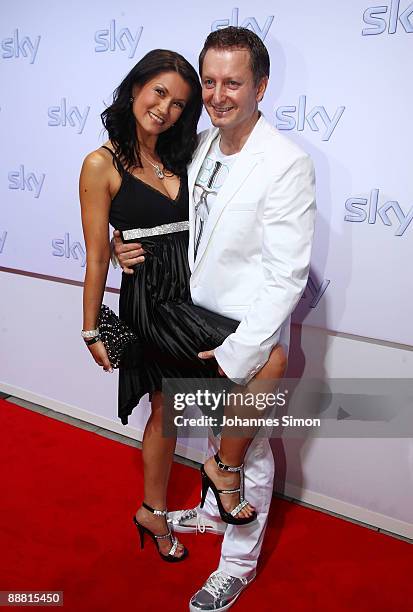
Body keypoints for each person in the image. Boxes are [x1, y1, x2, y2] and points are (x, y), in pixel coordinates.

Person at [113, 27, 316, 612]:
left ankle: (238, 564)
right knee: (210, 434)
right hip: (190, 320)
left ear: (261, 86)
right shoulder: (199, 145)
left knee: (245, 452)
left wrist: (238, 351)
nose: (218, 94)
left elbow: (286, 277)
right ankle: (208, 514)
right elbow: (163, 215)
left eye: (233, 82)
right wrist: (122, 244)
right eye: (210, 81)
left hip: (243, 330)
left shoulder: (285, 163)